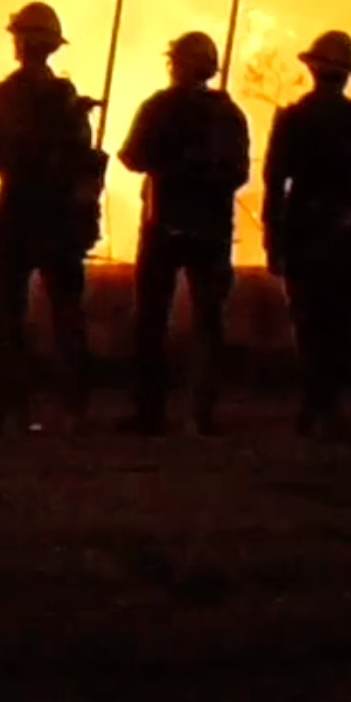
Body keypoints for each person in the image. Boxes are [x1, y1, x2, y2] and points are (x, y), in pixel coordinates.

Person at [0, 1, 99, 437]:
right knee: (66, 315)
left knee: (7, 316)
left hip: (20, 213)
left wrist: (17, 146)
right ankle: (72, 409)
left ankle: (9, 409)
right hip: (59, 219)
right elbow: (83, 159)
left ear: (20, 44)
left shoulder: (4, 97)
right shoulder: (68, 101)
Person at [258, 31, 351, 436]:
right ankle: (326, 405)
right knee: (339, 322)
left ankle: (314, 404)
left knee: (309, 322)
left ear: (313, 70)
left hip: (307, 235)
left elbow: (274, 182)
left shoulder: (294, 120)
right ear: (348, 75)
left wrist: (273, 236)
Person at [116, 31, 250, 436]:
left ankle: (149, 411)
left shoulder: (160, 108)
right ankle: (200, 411)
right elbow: (238, 173)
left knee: (152, 319)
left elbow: (131, 156)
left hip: (164, 225)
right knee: (207, 320)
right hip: (209, 230)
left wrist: (174, 161)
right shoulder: (228, 114)